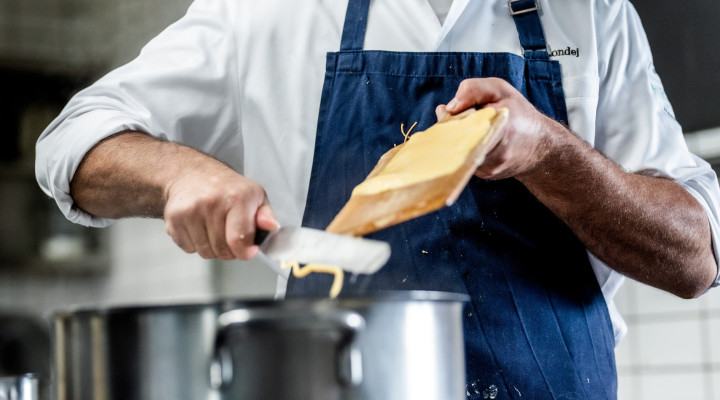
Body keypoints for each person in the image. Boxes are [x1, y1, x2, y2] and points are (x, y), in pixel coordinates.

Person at [36, 0, 720, 398]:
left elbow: (695, 256)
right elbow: (71, 143)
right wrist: (177, 172)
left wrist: (551, 152)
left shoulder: (594, 13)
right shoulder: (268, 13)